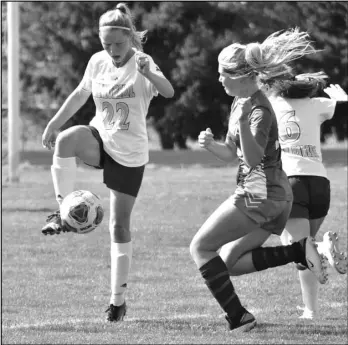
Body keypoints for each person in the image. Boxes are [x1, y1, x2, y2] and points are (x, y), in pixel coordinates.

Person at [41, 3, 174, 322]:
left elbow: (168, 92)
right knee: (66, 140)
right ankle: (62, 213)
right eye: (106, 45)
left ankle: (117, 301)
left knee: (118, 225)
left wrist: (150, 72)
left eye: (117, 43)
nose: (112, 50)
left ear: (129, 38)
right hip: (101, 139)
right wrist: (54, 123)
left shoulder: (143, 62)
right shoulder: (97, 62)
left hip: (129, 155)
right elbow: (79, 94)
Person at [190, 28, 328, 332]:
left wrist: (242, 122)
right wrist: (211, 146)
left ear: (241, 76)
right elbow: (232, 153)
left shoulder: (258, 109)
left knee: (200, 247)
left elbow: (252, 160)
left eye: (223, 74)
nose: (219, 79)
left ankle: (239, 318)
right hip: (271, 193)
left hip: (260, 191)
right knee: (226, 263)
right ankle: (299, 250)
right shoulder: (239, 104)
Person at [260, 74, 348, 320]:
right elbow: (339, 103)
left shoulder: (273, 103)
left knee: (299, 248)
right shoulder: (318, 104)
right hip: (319, 183)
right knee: (302, 250)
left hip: (290, 181)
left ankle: (323, 248)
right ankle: (310, 311)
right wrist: (340, 98)